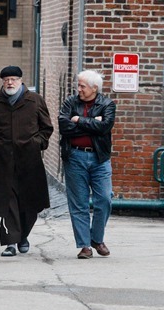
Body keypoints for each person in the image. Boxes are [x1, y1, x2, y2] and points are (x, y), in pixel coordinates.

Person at [0, 65, 53, 257]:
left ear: (21, 81)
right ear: (2, 82)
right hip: (3, 161)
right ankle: (10, 242)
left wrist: (36, 143)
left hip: (30, 161)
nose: (10, 83)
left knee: (30, 203)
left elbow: (46, 128)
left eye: (13, 79)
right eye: (6, 80)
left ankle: (22, 236)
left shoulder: (35, 101)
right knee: (7, 201)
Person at [58, 70, 116, 259]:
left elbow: (104, 127)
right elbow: (64, 127)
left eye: (83, 86)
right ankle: (84, 246)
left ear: (94, 88)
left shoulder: (107, 104)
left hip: (100, 159)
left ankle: (97, 239)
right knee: (79, 203)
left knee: (105, 199)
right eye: (79, 85)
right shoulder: (70, 102)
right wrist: (91, 123)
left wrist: (79, 120)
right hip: (74, 157)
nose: (79, 89)